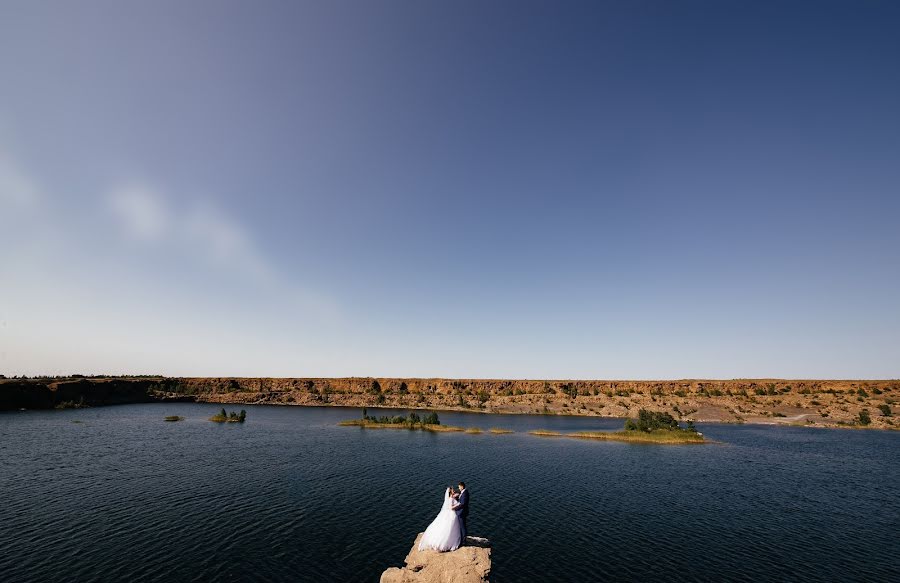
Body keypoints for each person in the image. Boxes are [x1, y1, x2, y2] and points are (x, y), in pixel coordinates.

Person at [418, 487, 463, 552]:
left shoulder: (450, 498)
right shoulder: (451, 499)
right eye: (453, 491)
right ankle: (447, 543)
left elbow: (454, 497)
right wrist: (458, 505)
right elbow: (451, 507)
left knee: (446, 527)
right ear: (450, 492)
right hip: (451, 514)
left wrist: (457, 496)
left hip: (447, 513)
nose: (454, 491)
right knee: (450, 528)